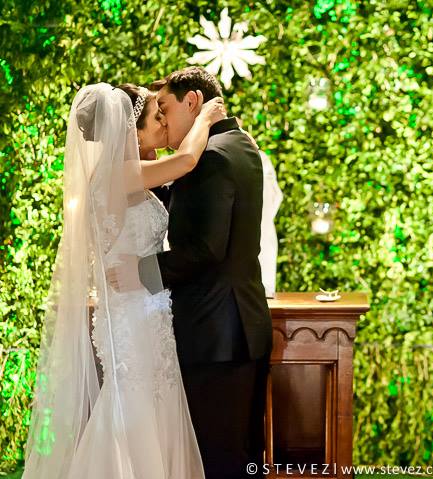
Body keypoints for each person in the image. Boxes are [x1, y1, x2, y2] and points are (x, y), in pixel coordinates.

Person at [22, 82, 226, 479]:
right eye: (157, 117)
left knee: (153, 402)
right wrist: (204, 118)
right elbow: (186, 161)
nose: (163, 122)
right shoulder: (118, 174)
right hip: (131, 316)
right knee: (133, 405)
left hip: (148, 313)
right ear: (130, 129)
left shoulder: (126, 174)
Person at [143, 66, 272, 479]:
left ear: (193, 102)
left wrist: (138, 273)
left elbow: (204, 250)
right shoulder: (241, 144)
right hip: (242, 326)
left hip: (214, 334)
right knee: (242, 457)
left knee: (216, 460)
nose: (163, 120)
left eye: (165, 108)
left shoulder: (209, 158)